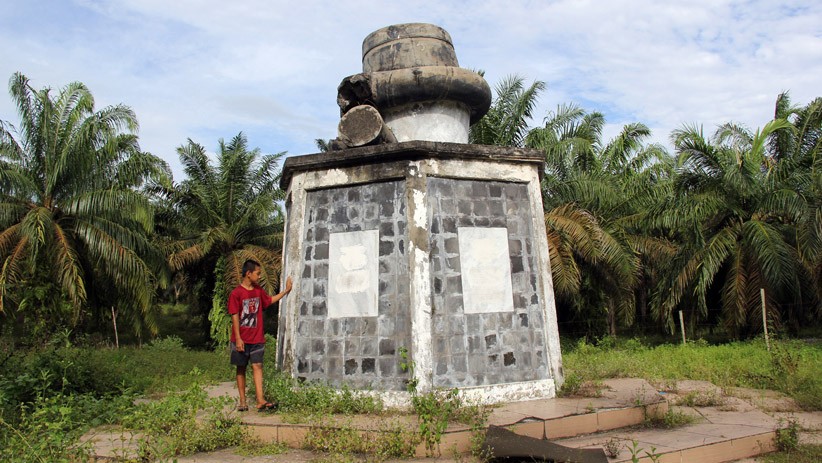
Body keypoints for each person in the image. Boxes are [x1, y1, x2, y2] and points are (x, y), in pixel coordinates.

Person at [228, 259, 292, 411]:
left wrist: (285, 291)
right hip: (241, 338)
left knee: (257, 366)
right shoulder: (236, 293)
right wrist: (238, 338)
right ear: (248, 274)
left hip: (257, 338)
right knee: (241, 368)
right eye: (257, 273)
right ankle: (242, 401)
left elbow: (269, 301)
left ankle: (260, 400)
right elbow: (234, 315)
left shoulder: (258, 291)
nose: (259, 276)